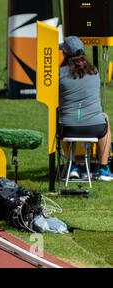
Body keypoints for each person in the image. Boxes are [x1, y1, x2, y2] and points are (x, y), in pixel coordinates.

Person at [58, 36, 113, 181]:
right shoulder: (94, 71)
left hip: (69, 127)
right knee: (105, 118)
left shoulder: (59, 74)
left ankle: (73, 165)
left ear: (64, 53)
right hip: (95, 127)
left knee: (60, 120)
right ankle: (103, 168)